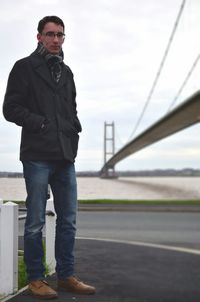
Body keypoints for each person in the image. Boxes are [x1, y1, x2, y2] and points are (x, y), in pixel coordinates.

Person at [3, 16, 95, 299]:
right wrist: (41, 123)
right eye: (50, 34)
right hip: (37, 155)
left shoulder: (66, 73)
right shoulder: (24, 68)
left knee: (68, 219)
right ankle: (35, 279)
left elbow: (71, 110)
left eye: (60, 35)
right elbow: (10, 108)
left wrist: (73, 130)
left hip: (65, 156)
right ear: (39, 37)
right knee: (34, 221)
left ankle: (66, 275)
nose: (56, 40)